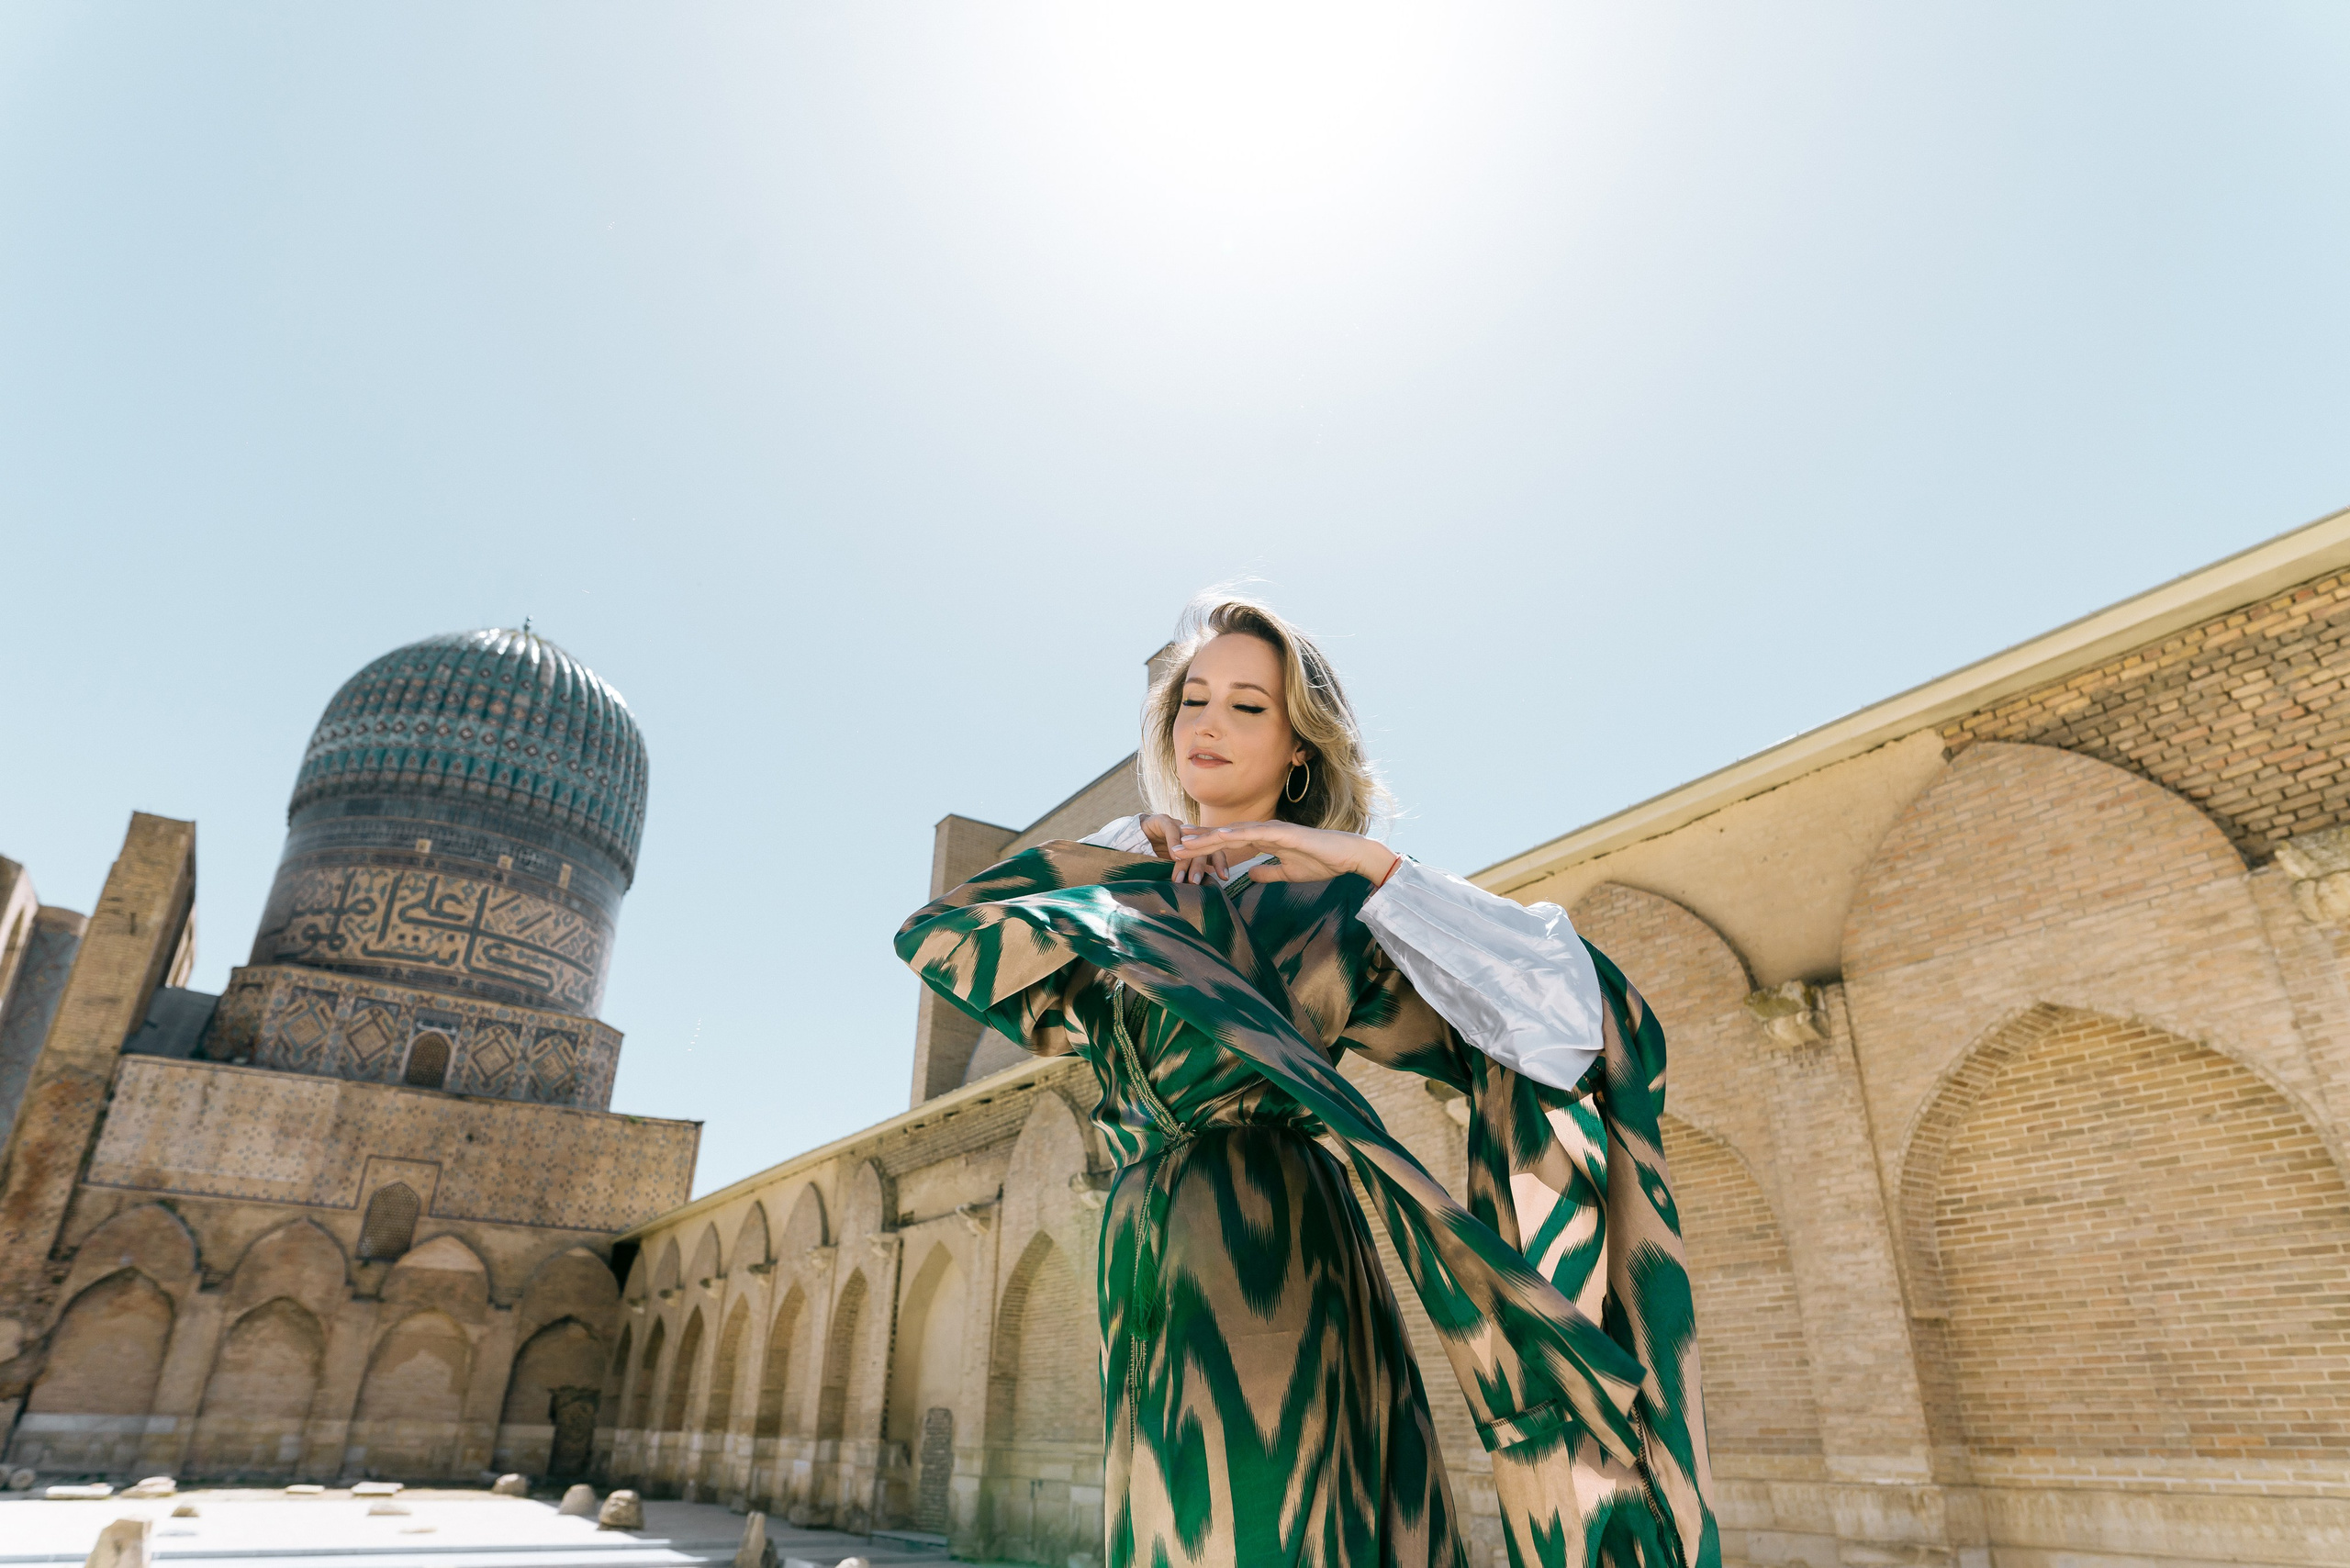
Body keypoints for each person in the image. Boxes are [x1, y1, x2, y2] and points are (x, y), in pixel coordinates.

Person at [897, 595, 1717, 1568]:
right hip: (1140, 1242)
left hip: (1272, 1235)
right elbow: (942, 934)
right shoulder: (1115, 885)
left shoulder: (1336, 903)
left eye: (1248, 706)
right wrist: (1117, 856)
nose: (1207, 722)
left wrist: (1368, 867)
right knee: (1168, 1524)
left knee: (1272, 1515)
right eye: (1192, 699)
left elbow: (1581, 1021)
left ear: (1299, 747)